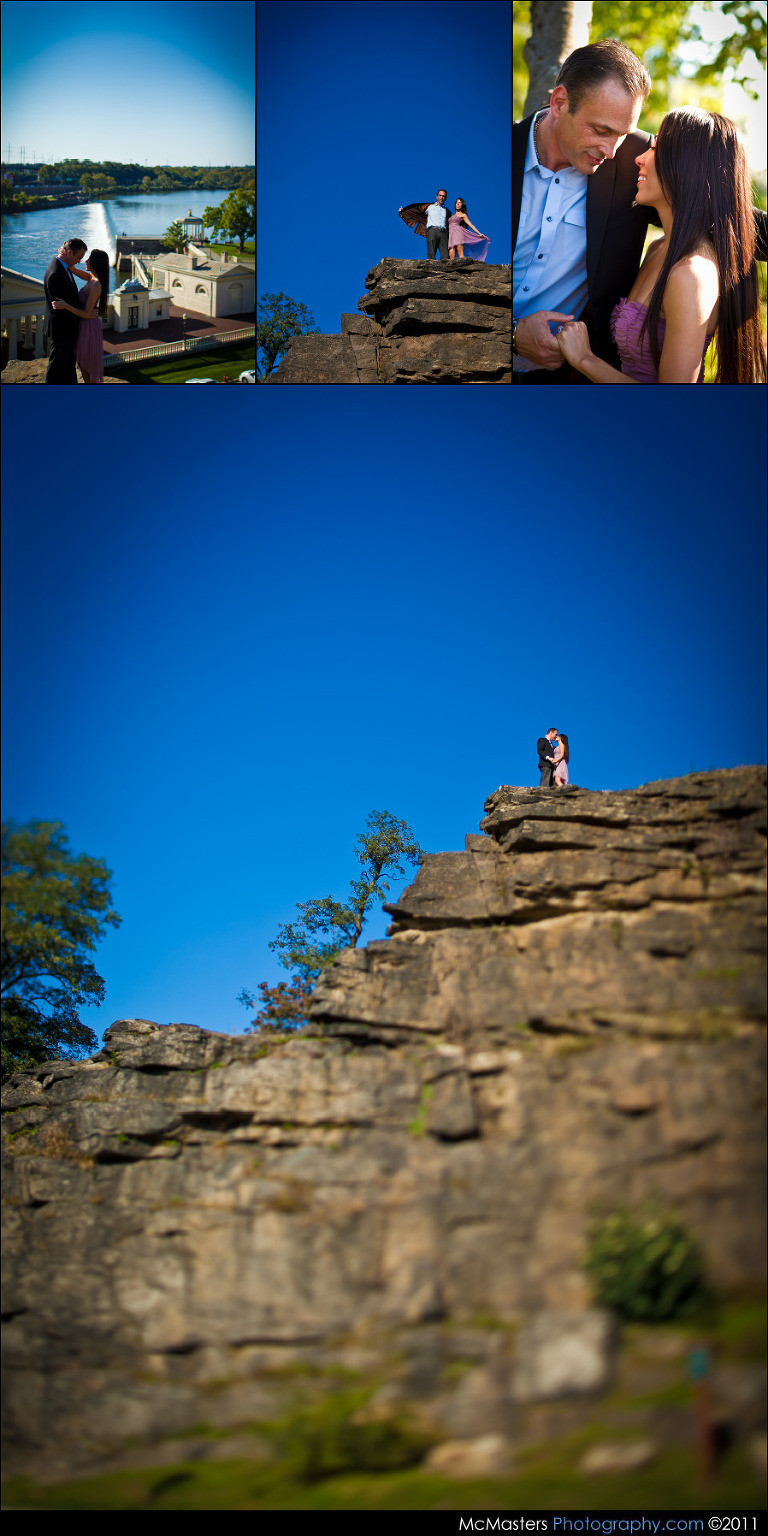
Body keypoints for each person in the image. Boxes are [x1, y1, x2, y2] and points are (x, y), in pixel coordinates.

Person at [513, 39, 768, 383]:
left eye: (623, 133)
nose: (612, 149)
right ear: (560, 102)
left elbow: (727, 211)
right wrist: (510, 334)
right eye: (601, 130)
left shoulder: (635, 162)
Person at [555, 109, 766, 384]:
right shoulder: (659, 248)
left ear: (686, 167)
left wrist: (584, 359)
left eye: (655, 148)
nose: (639, 158)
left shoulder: (692, 275)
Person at [51, 248, 110, 383]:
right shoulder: (91, 278)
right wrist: (64, 252)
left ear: (95, 263)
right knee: (83, 365)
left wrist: (65, 305)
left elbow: (86, 314)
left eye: (89, 259)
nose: (85, 260)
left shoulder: (96, 285)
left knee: (86, 366)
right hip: (85, 324)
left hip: (88, 327)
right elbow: (71, 268)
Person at [43, 239, 87, 383]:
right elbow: (60, 308)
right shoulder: (56, 273)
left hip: (66, 328)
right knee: (57, 365)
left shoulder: (63, 266)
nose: (79, 261)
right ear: (69, 252)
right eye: (78, 257)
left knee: (67, 365)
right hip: (62, 329)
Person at [398, 190, 453, 260]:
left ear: (446, 198)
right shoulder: (429, 207)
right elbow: (416, 210)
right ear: (437, 197)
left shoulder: (447, 211)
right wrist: (404, 211)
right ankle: (430, 269)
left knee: (445, 256)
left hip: (443, 233)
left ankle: (445, 269)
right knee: (431, 254)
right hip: (432, 231)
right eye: (440, 195)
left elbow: (451, 224)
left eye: (443, 196)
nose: (441, 198)